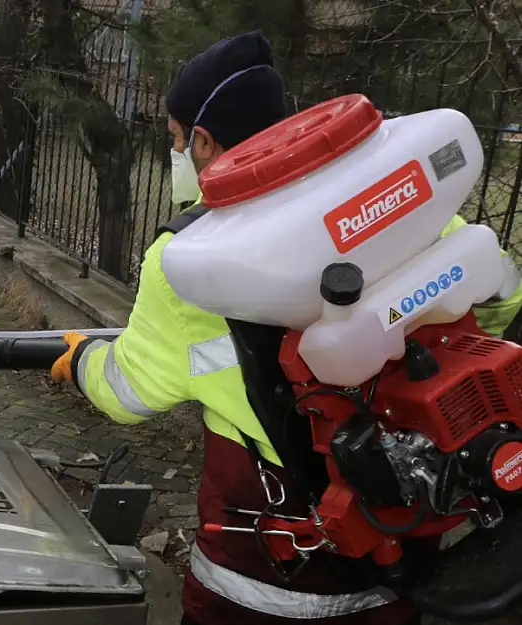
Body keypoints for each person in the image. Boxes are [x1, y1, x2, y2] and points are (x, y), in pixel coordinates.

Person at [49, 32, 522, 625]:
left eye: (175, 140)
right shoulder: (413, 211)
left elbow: (132, 389)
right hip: (406, 547)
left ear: (201, 139)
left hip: (259, 568)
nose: (177, 153)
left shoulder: (189, 263)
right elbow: (499, 308)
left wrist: (80, 361)